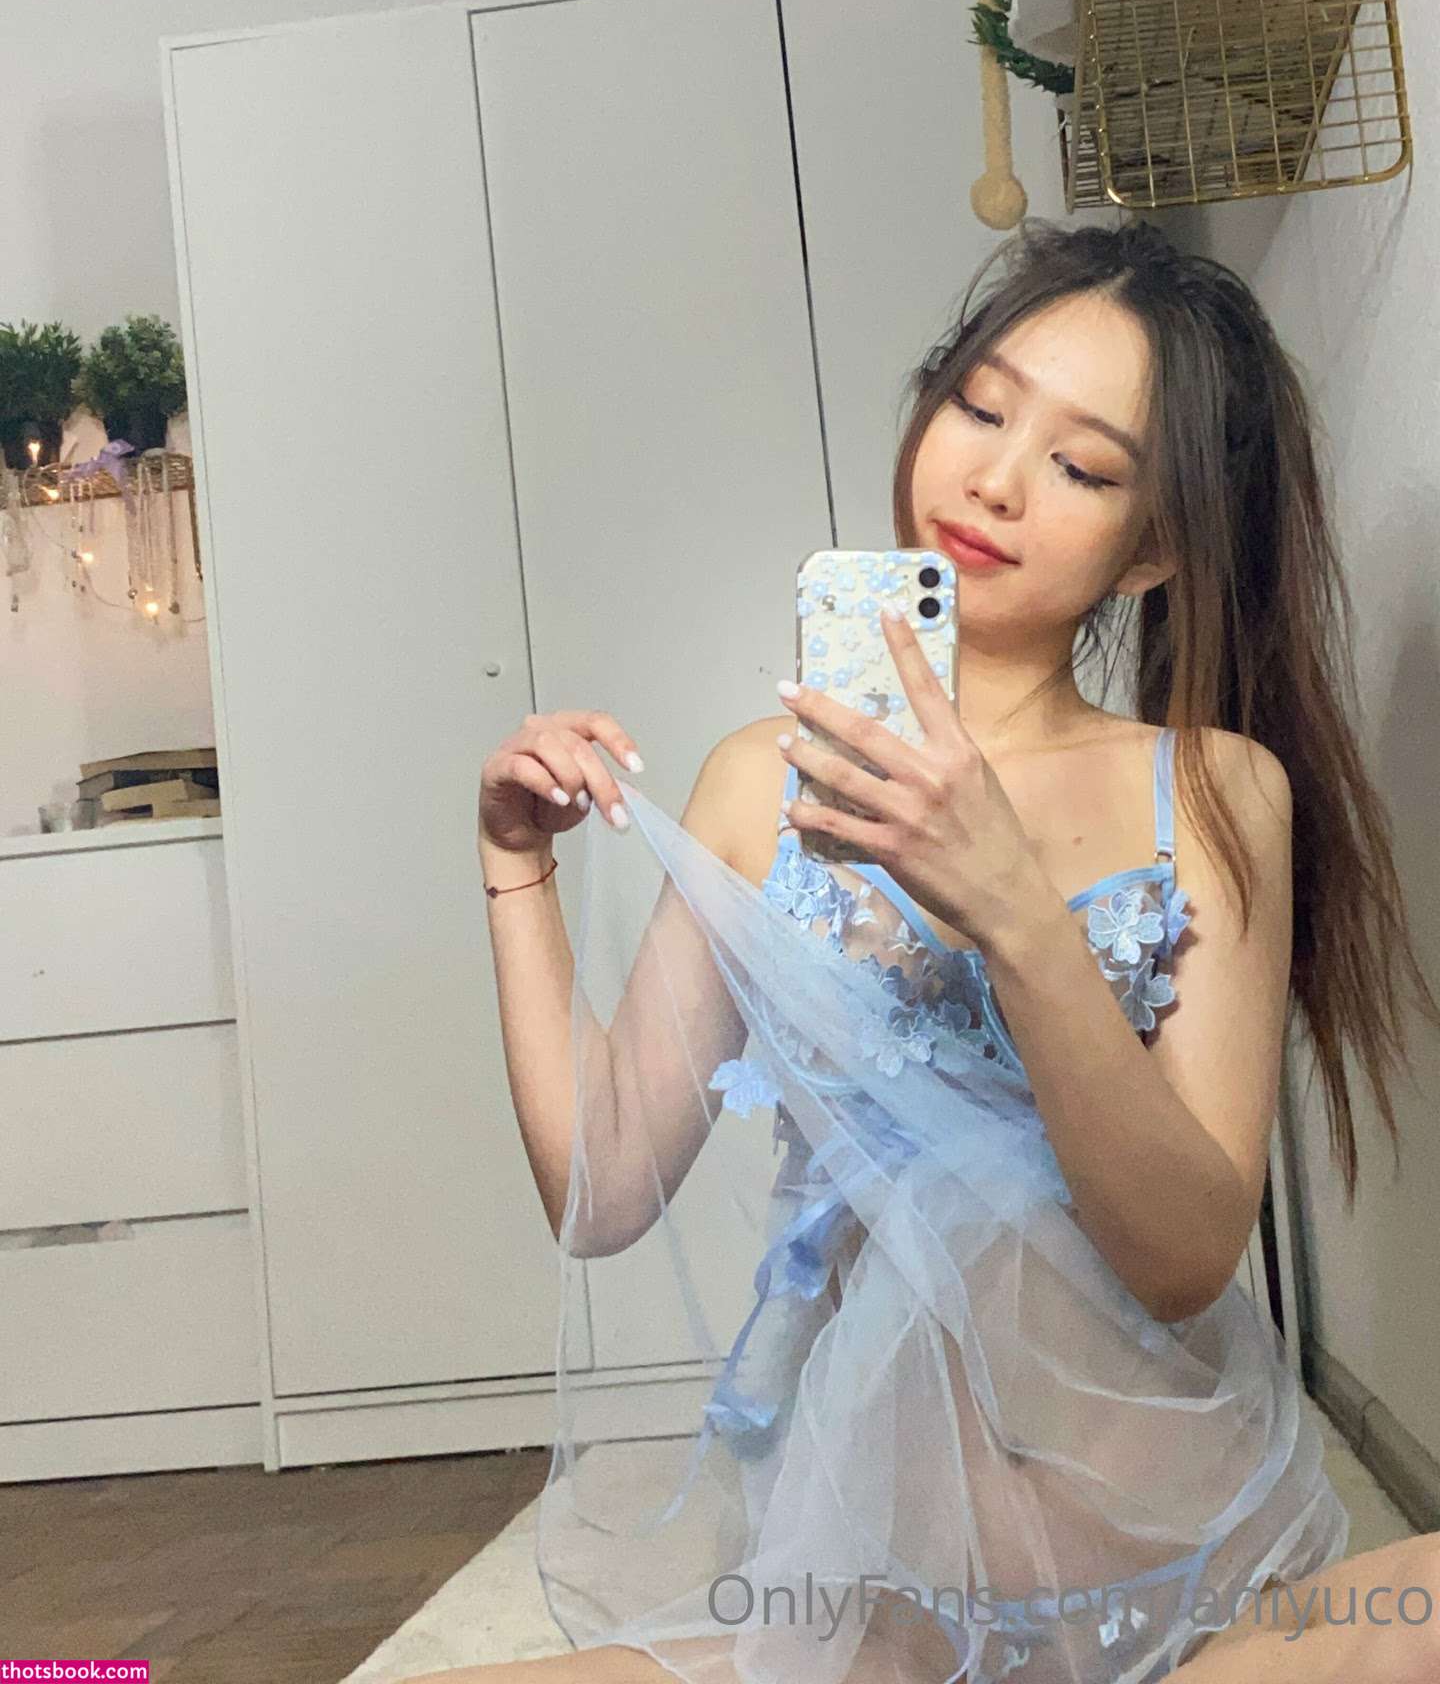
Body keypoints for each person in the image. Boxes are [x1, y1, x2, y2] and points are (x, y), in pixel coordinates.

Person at [425, 220, 1440, 1684]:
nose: (995, 480)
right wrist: (514, 867)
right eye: (979, 405)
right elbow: (605, 1183)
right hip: (876, 1621)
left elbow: (1181, 1259)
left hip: (1184, 1591)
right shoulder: (758, 783)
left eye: (1082, 467)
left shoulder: (1214, 793)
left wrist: (1011, 902)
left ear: (1155, 549)